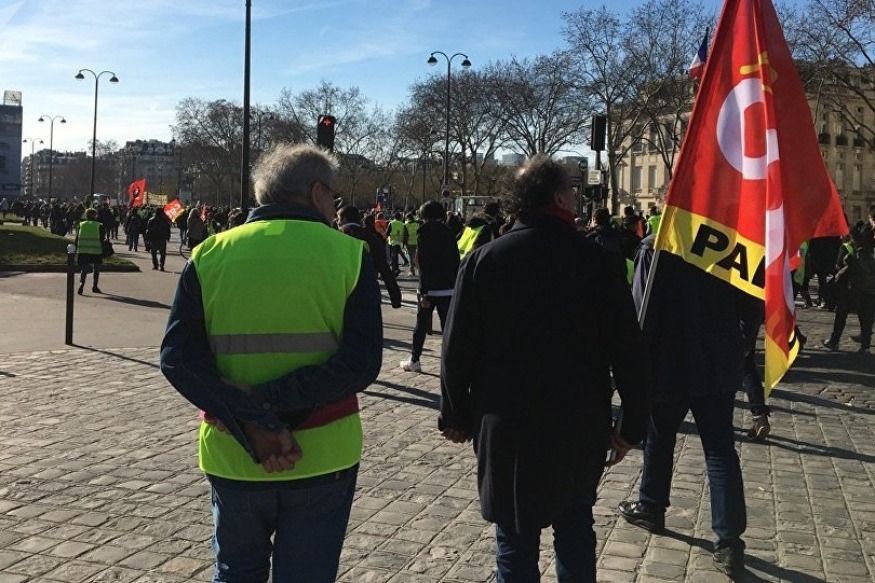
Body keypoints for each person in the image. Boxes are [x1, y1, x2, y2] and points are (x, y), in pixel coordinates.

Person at [160, 143, 383, 583]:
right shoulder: (349, 254)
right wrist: (273, 411)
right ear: (317, 192)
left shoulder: (209, 254)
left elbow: (178, 359)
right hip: (322, 453)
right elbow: (360, 364)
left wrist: (252, 420)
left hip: (233, 451)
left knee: (236, 573)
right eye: (333, 196)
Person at [439, 155, 650, 582]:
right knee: (575, 531)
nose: (576, 198)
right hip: (577, 423)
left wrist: (455, 414)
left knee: (514, 542)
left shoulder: (484, 261)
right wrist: (632, 425)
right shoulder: (596, 262)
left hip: (507, 424)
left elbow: (456, 350)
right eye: (572, 192)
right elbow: (629, 351)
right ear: (558, 198)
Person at [618, 234, 748, 578]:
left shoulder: (657, 246)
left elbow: (641, 311)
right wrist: (740, 347)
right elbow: (751, 304)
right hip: (718, 361)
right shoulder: (731, 242)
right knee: (720, 450)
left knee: (660, 438)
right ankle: (729, 540)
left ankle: (651, 505)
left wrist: (635, 368)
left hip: (669, 362)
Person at [400, 201, 460, 373]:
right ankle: (450, 362)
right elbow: (455, 260)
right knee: (447, 327)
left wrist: (424, 291)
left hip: (430, 287)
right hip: (448, 287)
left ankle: (415, 359)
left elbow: (424, 264)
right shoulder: (449, 232)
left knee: (421, 325)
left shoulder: (424, 233)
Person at [337, 205, 402, 309]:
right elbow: (384, 269)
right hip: (368, 291)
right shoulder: (372, 238)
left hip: (342, 292)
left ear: (344, 219)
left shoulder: (338, 236)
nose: (337, 222)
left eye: (338, 219)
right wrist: (395, 297)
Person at [823, 225, 875, 353]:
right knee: (866, 319)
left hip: (850, 289)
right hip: (870, 290)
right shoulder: (872, 252)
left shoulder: (849, 248)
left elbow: (838, 265)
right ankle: (865, 346)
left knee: (841, 315)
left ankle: (834, 341)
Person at [75, 208, 106, 295]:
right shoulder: (99, 225)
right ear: (95, 215)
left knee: (84, 269)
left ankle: (81, 284)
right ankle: (95, 286)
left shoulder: (81, 224)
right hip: (96, 250)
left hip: (83, 250)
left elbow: (77, 238)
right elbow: (102, 238)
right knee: (96, 269)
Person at [386, 212, 408, 276]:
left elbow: (387, 233)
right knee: (395, 257)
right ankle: (396, 269)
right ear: (400, 217)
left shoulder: (391, 223)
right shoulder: (402, 224)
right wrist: (404, 243)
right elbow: (405, 234)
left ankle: (394, 271)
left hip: (392, 242)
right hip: (399, 242)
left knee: (393, 257)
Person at [404, 211, 421, 276]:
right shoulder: (417, 224)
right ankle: (419, 270)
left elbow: (405, 235)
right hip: (416, 242)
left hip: (409, 242)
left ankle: (412, 271)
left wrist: (404, 243)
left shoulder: (406, 225)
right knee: (416, 257)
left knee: (411, 257)